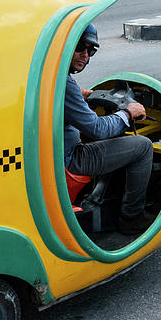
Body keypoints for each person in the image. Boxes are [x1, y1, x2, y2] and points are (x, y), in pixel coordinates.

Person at [64, 24, 154, 236]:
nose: (85, 55)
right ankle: (132, 217)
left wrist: (81, 96)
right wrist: (128, 113)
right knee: (142, 147)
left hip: (49, 156)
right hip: (69, 160)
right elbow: (97, 129)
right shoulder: (64, 85)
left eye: (91, 51)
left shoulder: (50, 78)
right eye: (79, 47)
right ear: (65, 47)